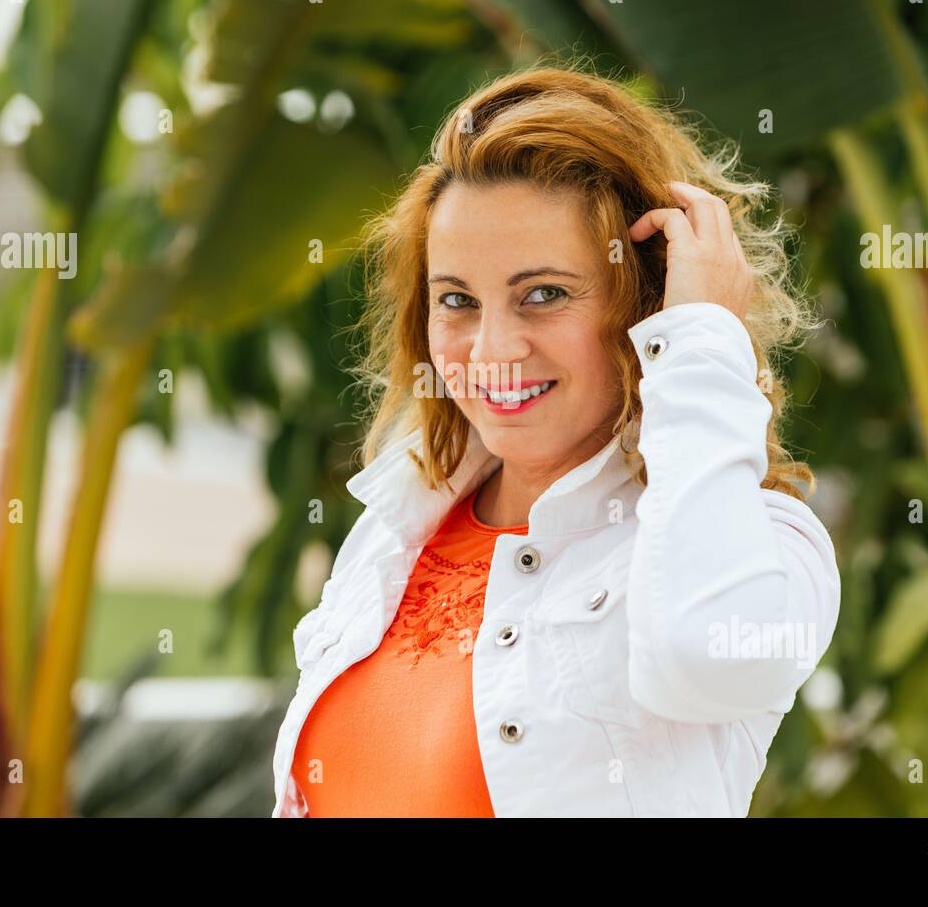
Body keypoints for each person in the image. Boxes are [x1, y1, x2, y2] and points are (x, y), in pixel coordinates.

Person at [269, 63, 840, 817]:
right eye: (458, 300)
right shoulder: (396, 525)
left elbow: (704, 657)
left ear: (648, 299)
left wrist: (701, 344)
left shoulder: (761, 546)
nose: (493, 348)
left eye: (544, 294)